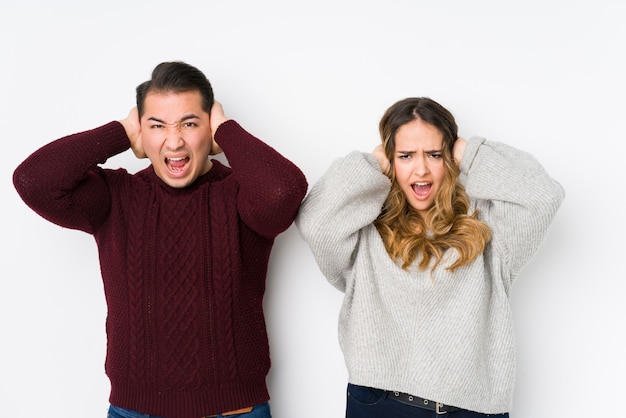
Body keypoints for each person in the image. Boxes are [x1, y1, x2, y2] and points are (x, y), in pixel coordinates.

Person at [13, 61, 308, 418]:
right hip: (135, 411)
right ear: (142, 131)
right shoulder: (115, 196)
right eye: (157, 125)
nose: (174, 140)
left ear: (209, 130)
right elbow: (33, 180)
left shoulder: (241, 195)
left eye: (189, 123)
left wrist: (227, 130)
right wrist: (119, 132)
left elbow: (284, 191)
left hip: (234, 411)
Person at [295, 97, 564, 417]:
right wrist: (373, 161)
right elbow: (315, 221)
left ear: (450, 159)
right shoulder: (363, 231)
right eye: (406, 155)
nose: (421, 169)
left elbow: (543, 196)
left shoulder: (491, 232)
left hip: (470, 410)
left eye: (434, 155)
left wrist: (467, 150)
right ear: (390, 160)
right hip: (381, 404)